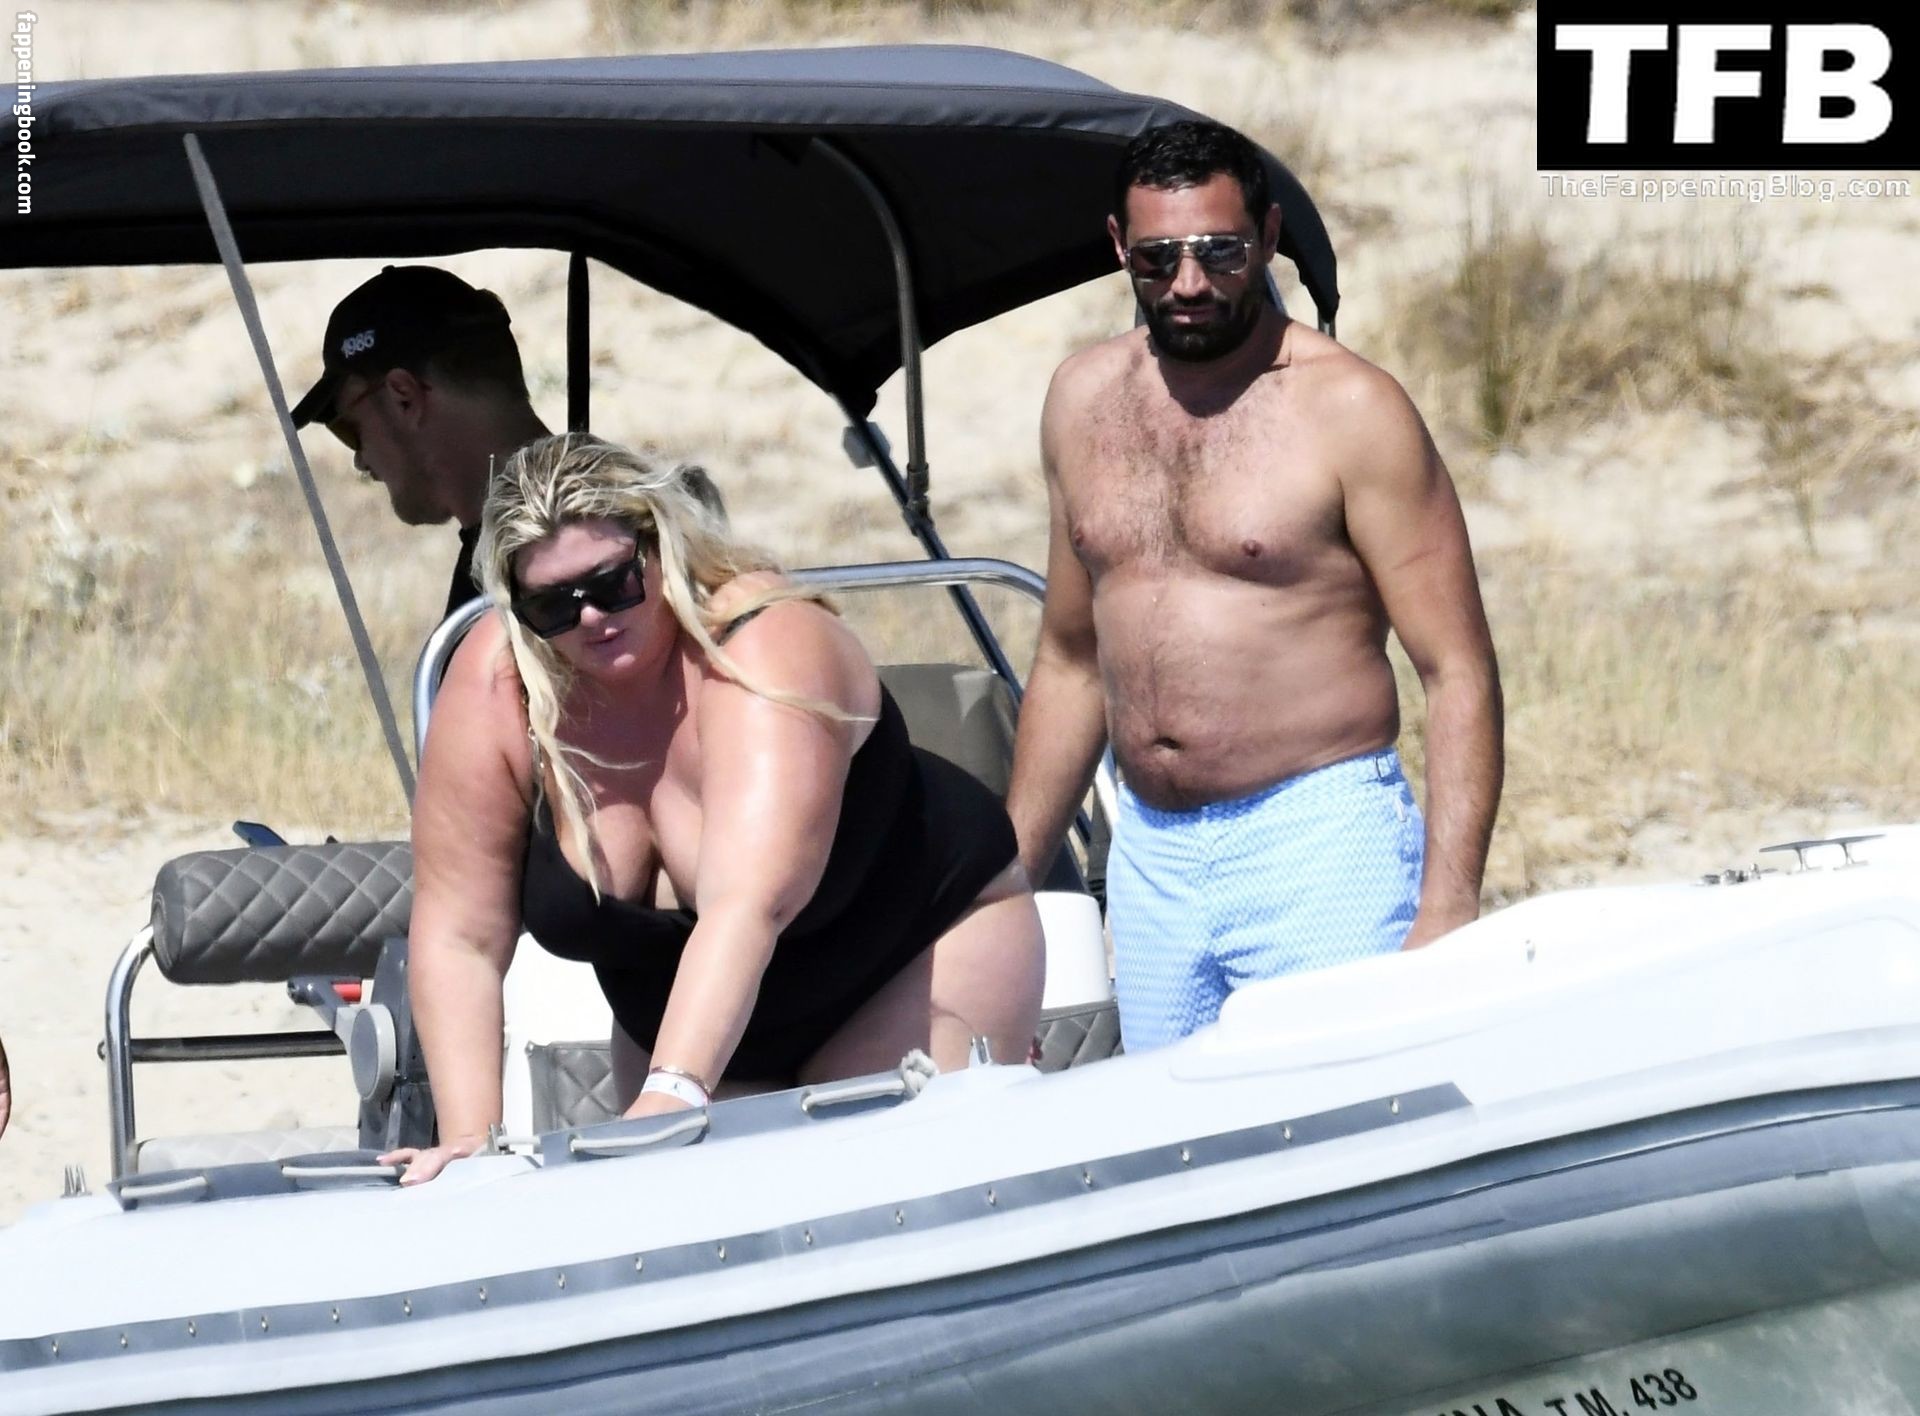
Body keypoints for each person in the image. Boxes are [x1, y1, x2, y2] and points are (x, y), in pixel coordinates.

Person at [385, 433, 1045, 1183]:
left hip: (909, 956)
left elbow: (746, 904)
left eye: (612, 583)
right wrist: (471, 1141)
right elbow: (460, 934)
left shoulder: (762, 645)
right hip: (687, 1015)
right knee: (682, 1199)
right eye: (552, 604)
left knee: (862, 1181)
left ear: (660, 546)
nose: (590, 617)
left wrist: (672, 1091)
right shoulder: (496, 685)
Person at [1005, 120, 1503, 1052]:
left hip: (1318, 840)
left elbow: (1457, 668)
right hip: (1149, 853)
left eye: (1221, 252)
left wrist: (1449, 906)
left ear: (1268, 237)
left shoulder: (1350, 407)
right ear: (1118, 247)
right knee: (1169, 1124)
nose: (1190, 283)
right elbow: (1071, 660)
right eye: (1158, 260)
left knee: (1350, 1110)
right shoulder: (1080, 399)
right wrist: (1009, 885)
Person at [291, 264, 551, 619]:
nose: (360, 460)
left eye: (350, 429)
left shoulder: (557, 557)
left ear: (404, 398)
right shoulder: (584, 524)